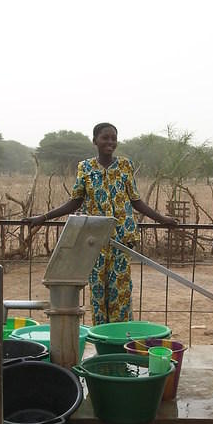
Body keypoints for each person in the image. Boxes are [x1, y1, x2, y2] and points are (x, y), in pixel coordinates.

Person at [22, 123, 176, 325]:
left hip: (122, 237)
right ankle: (102, 337)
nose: (110, 142)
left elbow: (135, 200)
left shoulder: (124, 166)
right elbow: (75, 201)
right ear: (95, 141)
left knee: (120, 291)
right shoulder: (85, 167)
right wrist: (44, 217)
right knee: (98, 292)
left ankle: (120, 338)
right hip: (93, 240)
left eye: (113, 138)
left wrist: (162, 219)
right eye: (105, 138)